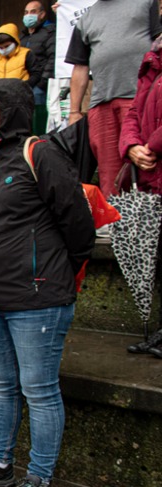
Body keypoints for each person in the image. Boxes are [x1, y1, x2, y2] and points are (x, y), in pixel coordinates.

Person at [0, 79, 95, 487]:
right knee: (1, 387)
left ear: (9, 109)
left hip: (38, 297)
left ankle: (40, 478)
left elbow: (78, 225)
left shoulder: (40, 153)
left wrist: (50, 274)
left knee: (39, 390)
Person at [65, 0, 162, 205]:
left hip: (141, 100)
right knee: (110, 175)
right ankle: (116, 220)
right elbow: (80, 67)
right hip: (101, 105)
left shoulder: (146, 2)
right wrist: (74, 111)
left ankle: (151, 220)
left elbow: (159, 42)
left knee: (147, 163)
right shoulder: (86, 18)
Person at [120, 33, 162, 357]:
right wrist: (132, 145)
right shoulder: (152, 62)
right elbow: (134, 111)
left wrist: (151, 145)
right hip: (153, 175)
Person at [20, 1, 56, 134]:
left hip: (39, 87)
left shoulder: (49, 32)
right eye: (26, 12)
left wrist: (42, 84)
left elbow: (52, 58)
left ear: (42, 14)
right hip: (24, 85)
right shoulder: (22, 37)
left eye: (33, 12)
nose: (28, 15)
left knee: (38, 122)